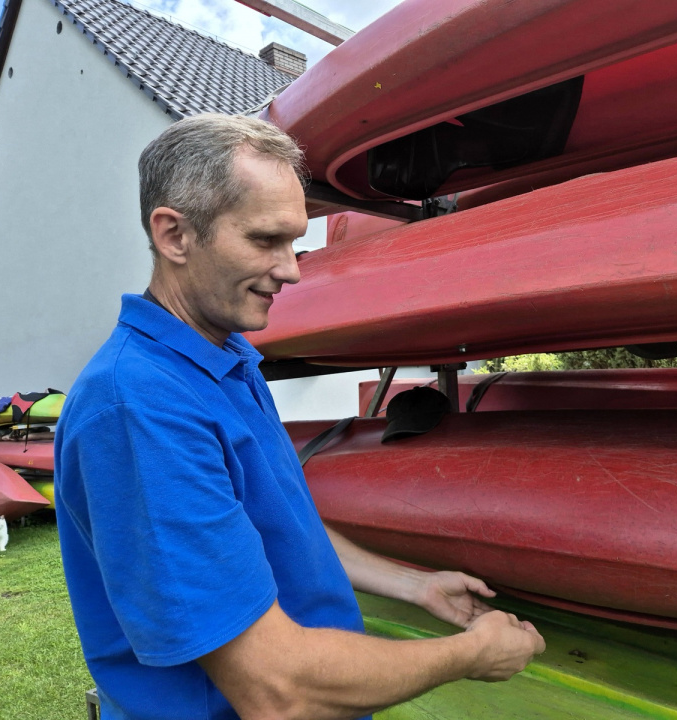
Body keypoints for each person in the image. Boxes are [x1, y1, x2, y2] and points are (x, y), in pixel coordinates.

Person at [54, 113, 544, 720]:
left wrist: (412, 584)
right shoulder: (140, 406)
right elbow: (277, 690)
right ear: (174, 235)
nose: (291, 268)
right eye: (266, 240)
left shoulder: (226, 357)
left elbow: (282, 528)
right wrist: (468, 655)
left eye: (296, 240)